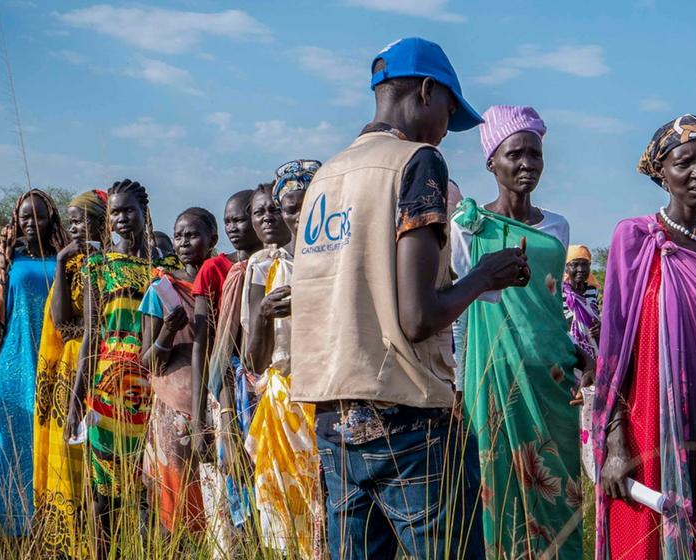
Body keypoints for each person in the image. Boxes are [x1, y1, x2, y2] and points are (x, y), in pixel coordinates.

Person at [291, 37, 530, 560]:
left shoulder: (323, 179)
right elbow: (418, 317)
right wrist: (485, 276)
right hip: (407, 419)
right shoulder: (418, 162)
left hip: (333, 419)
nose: (447, 130)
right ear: (426, 92)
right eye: (448, 111)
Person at [591, 114, 696, 559]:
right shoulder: (636, 238)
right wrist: (616, 443)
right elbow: (615, 351)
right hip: (651, 420)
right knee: (650, 537)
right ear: (662, 173)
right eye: (684, 163)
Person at [450, 105, 586, 558]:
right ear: (492, 161)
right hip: (495, 377)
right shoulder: (468, 228)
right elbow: (459, 302)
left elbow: (552, 307)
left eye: (535, 154)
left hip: (552, 376)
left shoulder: (557, 228)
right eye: (515, 154)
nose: (527, 163)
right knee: (497, 492)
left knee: (559, 491)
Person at [66, 179, 178, 556]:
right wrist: (75, 402)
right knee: (104, 497)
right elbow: (89, 336)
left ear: (144, 213)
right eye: (115, 212)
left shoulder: (165, 266)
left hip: (155, 388)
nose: (122, 218)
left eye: (128, 210)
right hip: (106, 396)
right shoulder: (96, 266)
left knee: (151, 494)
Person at [242, 161, 324, 558]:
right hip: (282, 401)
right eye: (291, 208)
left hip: (326, 400)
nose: (300, 214)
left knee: (325, 512)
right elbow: (254, 360)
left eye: (309, 204)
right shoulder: (264, 266)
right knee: (282, 513)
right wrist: (263, 314)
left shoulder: (335, 261)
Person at [0, 189, 66, 537]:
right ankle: (16, 534)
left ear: (52, 220)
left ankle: (53, 531)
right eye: (25, 217)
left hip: (56, 365)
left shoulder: (65, 258)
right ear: (16, 220)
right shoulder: (7, 261)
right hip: (14, 366)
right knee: (14, 453)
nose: (32, 223)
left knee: (52, 450)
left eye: (40, 216)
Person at [34, 189, 107, 556]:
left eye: (83, 220)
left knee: (97, 468)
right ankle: (68, 545)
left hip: (101, 368)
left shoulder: (110, 264)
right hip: (70, 367)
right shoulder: (75, 265)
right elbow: (61, 321)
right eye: (73, 221)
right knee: (70, 457)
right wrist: (62, 263)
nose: (76, 227)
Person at [196, 188, 266, 556]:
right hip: (237, 394)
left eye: (243, 218)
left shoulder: (272, 264)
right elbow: (221, 354)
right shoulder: (233, 272)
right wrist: (224, 416)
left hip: (273, 391)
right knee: (241, 488)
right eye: (230, 221)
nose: (236, 227)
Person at [139, 207, 218, 536]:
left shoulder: (224, 281)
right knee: (175, 503)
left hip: (217, 406)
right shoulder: (162, 291)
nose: (184, 241)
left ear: (212, 240)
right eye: (179, 235)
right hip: (174, 413)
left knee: (219, 502)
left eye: (193, 234)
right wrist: (168, 332)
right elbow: (147, 362)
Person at [562, 244, 600, 361]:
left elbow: (595, 315)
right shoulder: (560, 292)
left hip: (593, 346)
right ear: (567, 268)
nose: (581, 269)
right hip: (569, 347)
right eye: (575, 264)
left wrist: (600, 327)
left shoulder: (593, 290)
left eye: (585, 264)